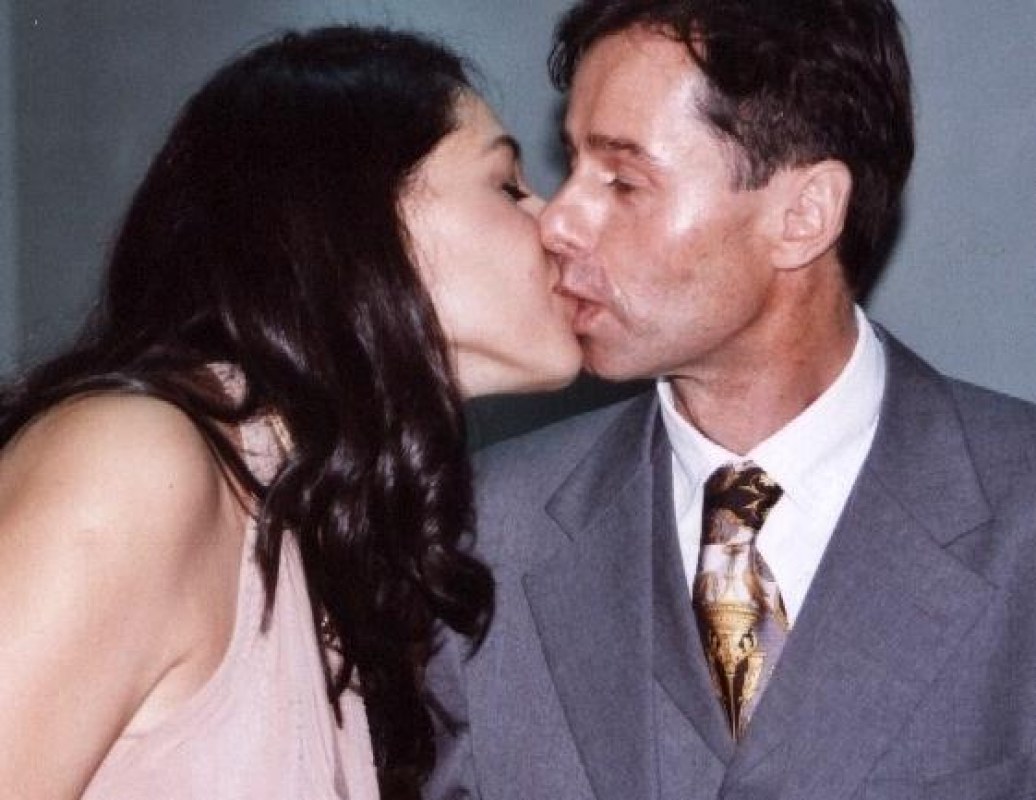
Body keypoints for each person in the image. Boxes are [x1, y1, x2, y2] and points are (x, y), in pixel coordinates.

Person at [424, 1, 1036, 799]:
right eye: (571, 165)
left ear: (803, 216)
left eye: (624, 180)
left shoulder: (1019, 508)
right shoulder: (480, 530)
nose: (558, 220)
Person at [0, 25, 581, 800]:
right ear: (357, 221)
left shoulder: (312, 526)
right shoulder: (135, 459)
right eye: (506, 184)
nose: (560, 222)